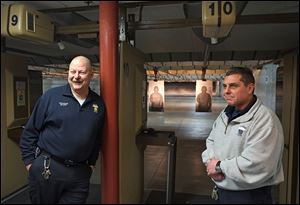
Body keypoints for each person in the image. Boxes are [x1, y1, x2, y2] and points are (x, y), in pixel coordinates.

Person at [19, 56, 105, 204]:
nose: (76, 76)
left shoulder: (98, 104)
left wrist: (91, 163)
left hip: (79, 174)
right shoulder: (51, 97)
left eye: (82, 72)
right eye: (73, 71)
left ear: (91, 74)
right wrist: (30, 164)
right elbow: (30, 131)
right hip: (47, 170)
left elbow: (96, 137)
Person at [202, 67, 284, 204]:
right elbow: (211, 141)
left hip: (250, 195)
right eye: (225, 86)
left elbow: (258, 163)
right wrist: (211, 163)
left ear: (250, 88)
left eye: (233, 86)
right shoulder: (225, 114)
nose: (226, 91)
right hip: (222, 190)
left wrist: (219, 166)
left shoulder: (264, 119)